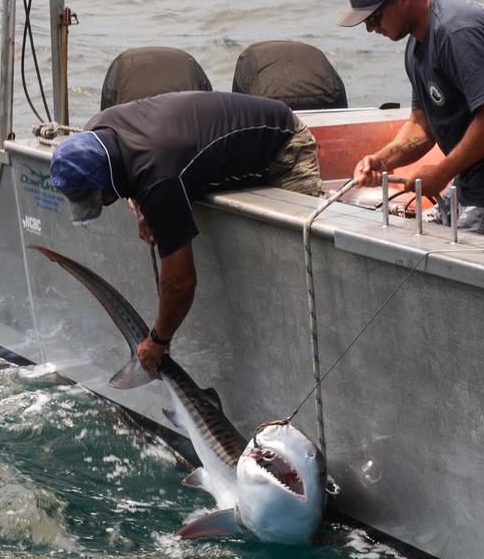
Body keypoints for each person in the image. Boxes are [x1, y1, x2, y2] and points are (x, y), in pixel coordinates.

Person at [50, 90, 323, 374]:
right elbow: (134, 169)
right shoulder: (97, 129)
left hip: (285, 146)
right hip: (197, 152)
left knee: (294, 274)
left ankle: (301, 367)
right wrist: (143, 206)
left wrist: (157, 340)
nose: (105, 203)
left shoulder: (158, 178)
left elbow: (181, 283)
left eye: (100, 199)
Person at [338, 0, 484, 239]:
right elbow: (423, 124)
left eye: (373, 17)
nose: (371, 29)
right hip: (470, 185)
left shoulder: (456, 31)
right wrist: (383, 160)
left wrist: (442, 171)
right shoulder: (417, 45)